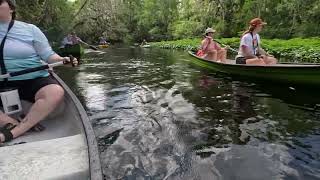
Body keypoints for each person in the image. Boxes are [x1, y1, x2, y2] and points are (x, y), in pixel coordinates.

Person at [0, 0, 78, 143]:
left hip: (32, 78)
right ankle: (8, 123)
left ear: (11, 8)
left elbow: (49, 56)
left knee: (55, 92)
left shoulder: (30, 29)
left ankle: (15, 132)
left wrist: (63, 60)